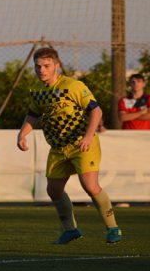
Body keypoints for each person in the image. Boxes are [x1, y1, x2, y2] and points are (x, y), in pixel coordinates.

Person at [17, 47, 121, 244]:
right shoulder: (37, 90)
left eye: (46, 66)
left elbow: (96, 112)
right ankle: (70, 230)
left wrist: (88, 136)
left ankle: (113, 228)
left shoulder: (73, 86)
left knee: (90, 186)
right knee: (53, 191)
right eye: (38, 66)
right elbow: (33, 114)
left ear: (56, 66)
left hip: (81, 143)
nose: (42, 70)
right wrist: (23, 133)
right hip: (58, 147)